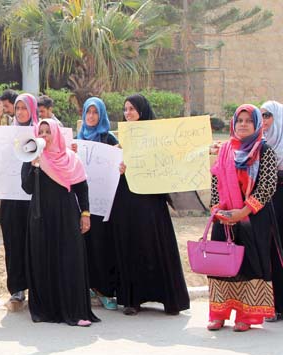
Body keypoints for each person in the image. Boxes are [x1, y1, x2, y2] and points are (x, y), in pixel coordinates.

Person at [107, 94, 191, 315]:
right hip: (127, 200)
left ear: (142, 111)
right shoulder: (122, 140)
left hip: (151, 201)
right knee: (131, 245)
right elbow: (113, 167)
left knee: (154, 244)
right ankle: (133, 300)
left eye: (132, 109)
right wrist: (119, 164)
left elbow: (166, 162)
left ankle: (168, 299)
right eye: (125, 110)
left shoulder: (156, 137)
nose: (128, 113)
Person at [207, 104, 281, 332]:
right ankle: (218, 314)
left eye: (249, 120)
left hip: (253, 217)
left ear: (256, 124)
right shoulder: (226, 149)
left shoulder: (264, 150)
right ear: (234, 123)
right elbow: (216, 180)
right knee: (220, 264)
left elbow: (267, 186)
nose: (243, 124)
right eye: (240, 120)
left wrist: (243, 212)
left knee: (250, 263)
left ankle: (246, 315)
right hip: (225, 217)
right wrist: (217, 209)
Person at [21, 118, 99, 327]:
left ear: (55, 134)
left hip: (66, 216)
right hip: (40, 216)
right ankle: (47, 310)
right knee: (43, 259)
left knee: (70, 260)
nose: (44, 136)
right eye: (41, 132)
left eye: (48, 132)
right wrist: (33, 165)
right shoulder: (30, 156)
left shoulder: (71, 159)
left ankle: (75, 311)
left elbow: (82, 189)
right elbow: (27, 188)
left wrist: (85, 214)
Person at [77, 97, 119, 310]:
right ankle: (86, 287)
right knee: (83, 246)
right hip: (82, 204)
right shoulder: (78, 139)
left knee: (102, 246)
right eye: (88, 112)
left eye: (95, 112)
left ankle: (104, 290)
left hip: (103, 205)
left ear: (101, 115)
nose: (91, 116)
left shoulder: (109, 139)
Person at [1, 93, 38, 304]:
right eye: (18, 109)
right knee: (13, 242)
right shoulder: (7, 135)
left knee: (35, 244)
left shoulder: (41, 132)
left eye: (25, 108)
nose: (21, 112)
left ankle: (37, 286)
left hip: (34, 200)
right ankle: (16, 288)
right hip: (11, 198)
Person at [260, 100, 283, 321]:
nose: (263, 120)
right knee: (270, 252)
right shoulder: (261, 144)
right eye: (262, 116)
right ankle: (274, 306)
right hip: (267, 205)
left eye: (267, 115)